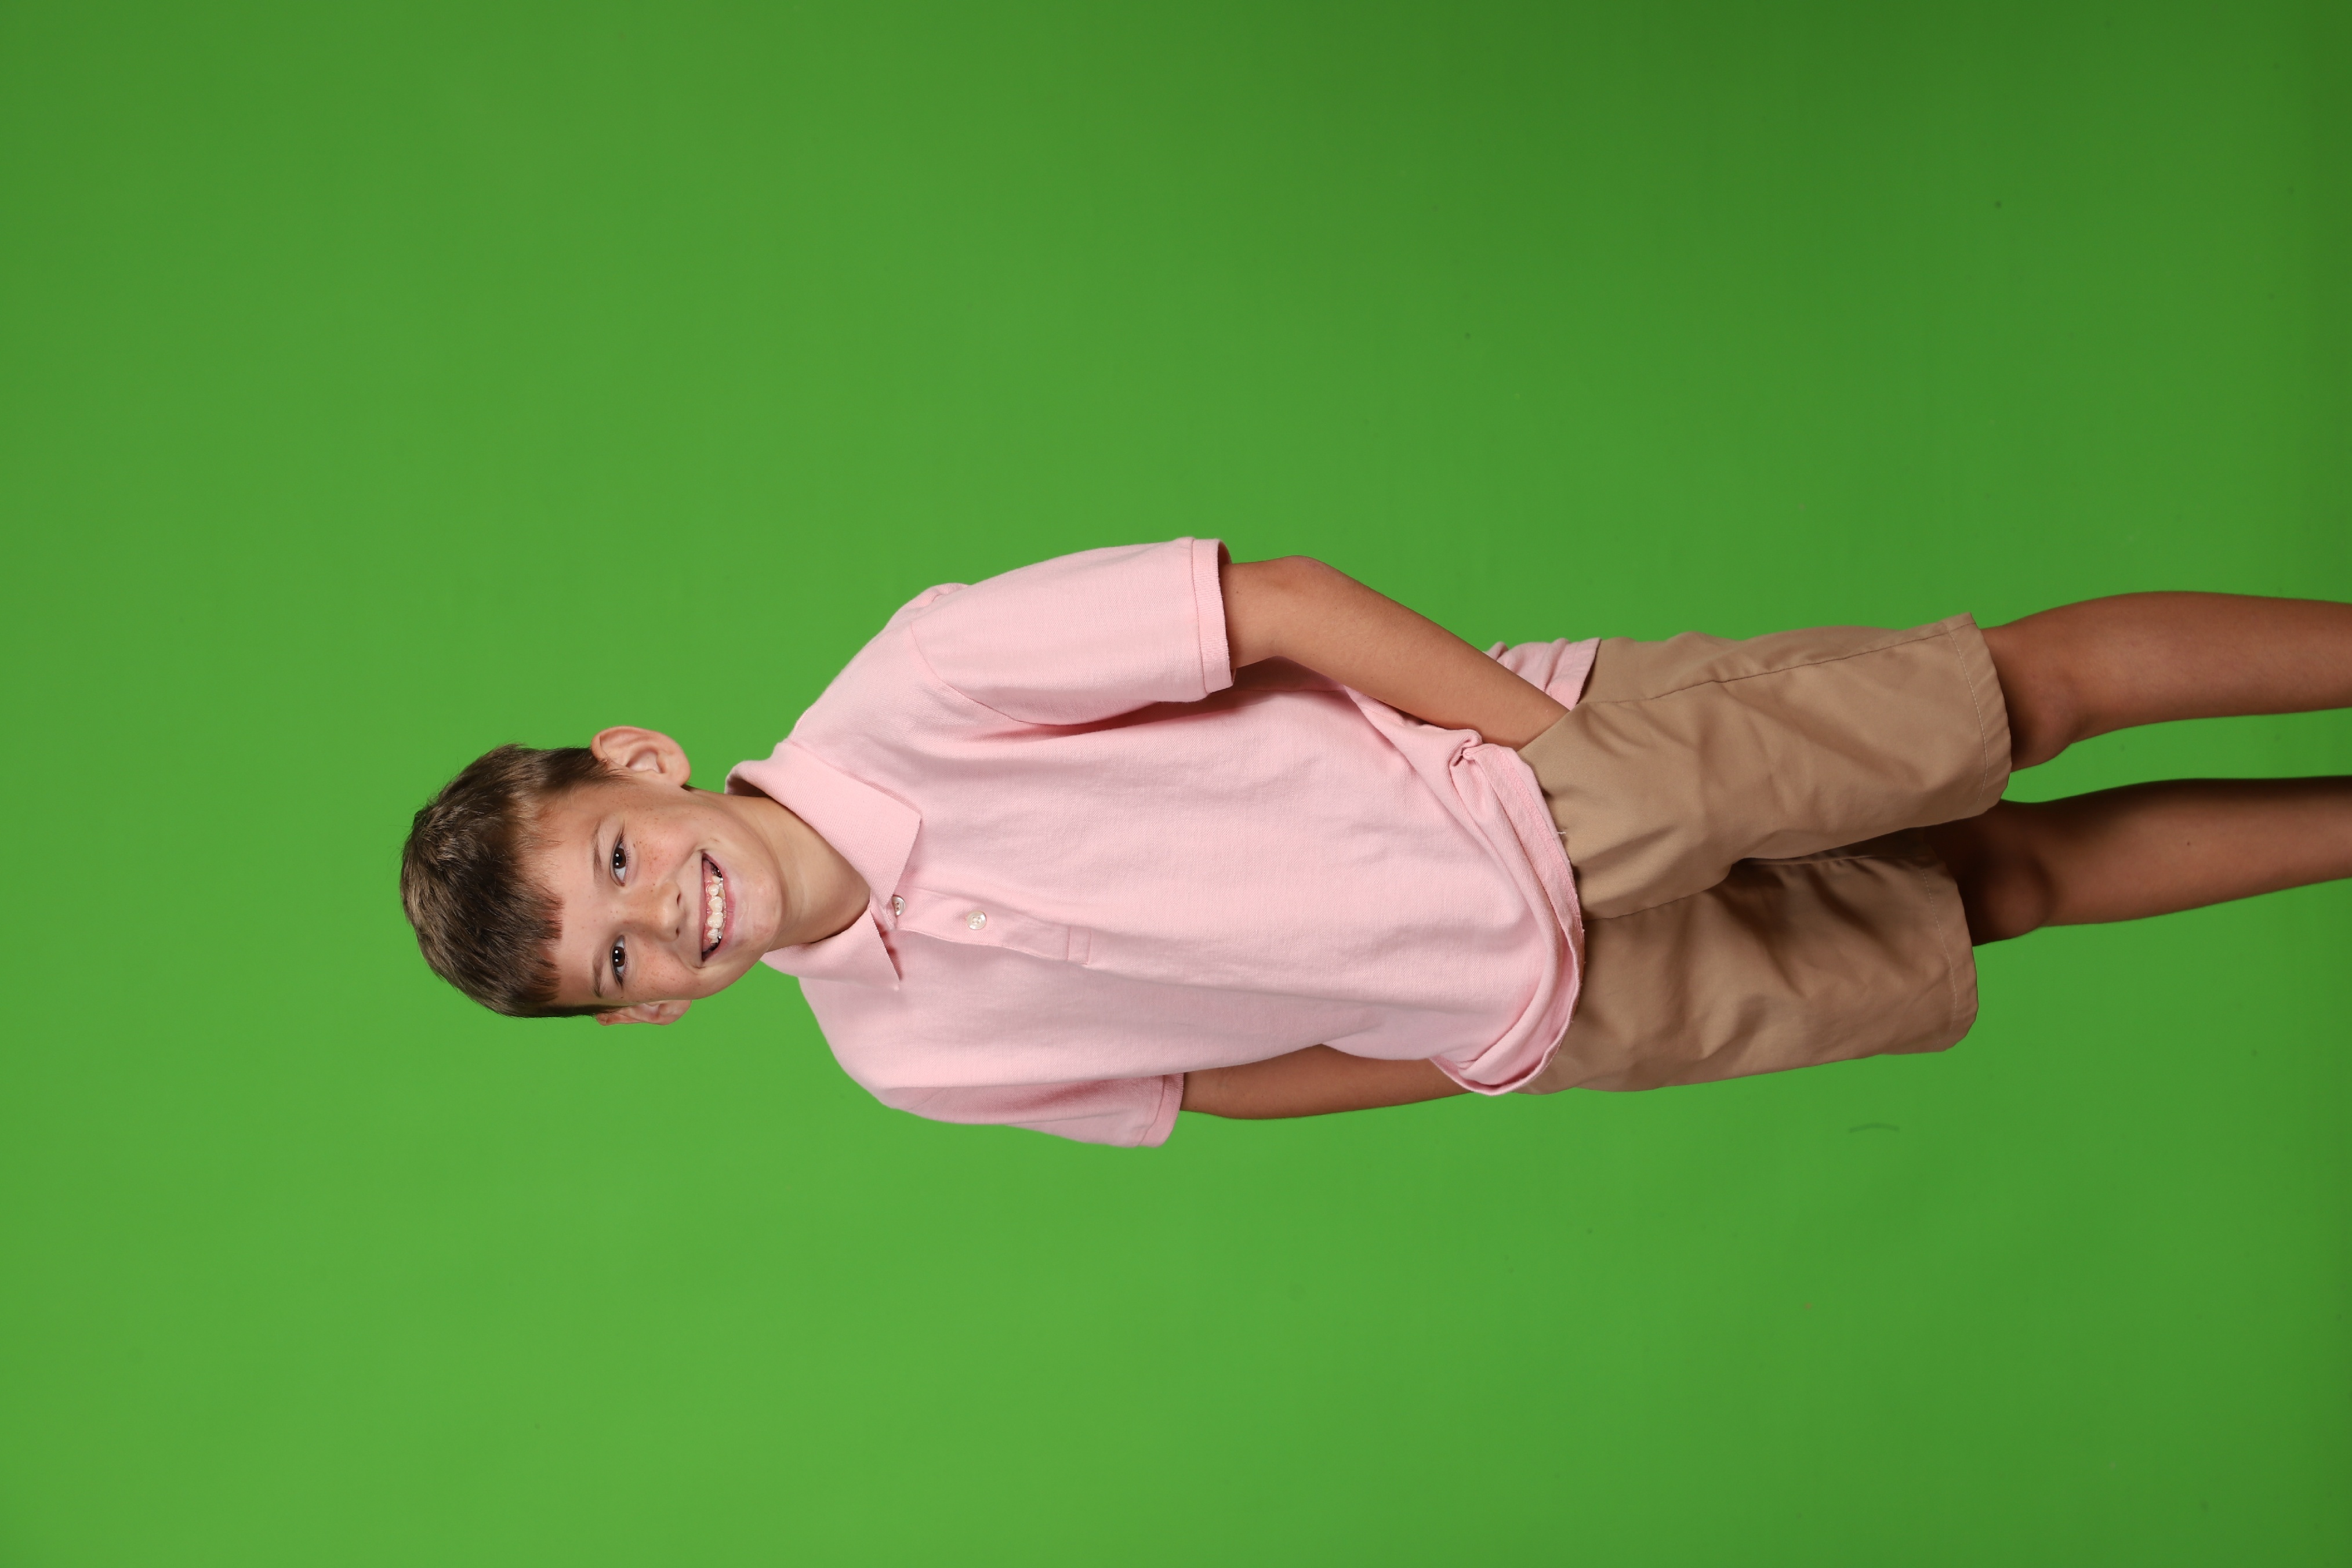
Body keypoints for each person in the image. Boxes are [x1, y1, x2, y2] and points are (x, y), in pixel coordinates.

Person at [398, 540, 2352, 1146]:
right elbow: (1207, 1085)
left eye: (618, 863)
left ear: (642, 764)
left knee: (2010, 708)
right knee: (2000, 894)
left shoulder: (919, 682)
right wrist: (1470, 1050)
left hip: (1538, 778)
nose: (661, 917)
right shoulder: (904, 1058)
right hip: (1549, 1003)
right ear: (647, 1013)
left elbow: (1273, 605)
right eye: (616, 958)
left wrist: (1562, 751)